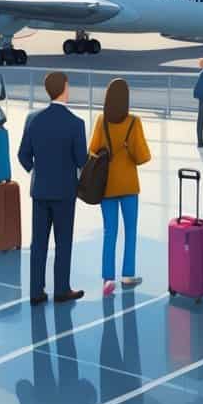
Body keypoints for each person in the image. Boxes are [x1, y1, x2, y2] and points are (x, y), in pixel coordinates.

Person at [18, 72, 87, 305]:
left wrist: (37, 171)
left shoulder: (33, 119)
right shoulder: (76, 123)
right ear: (64, 88)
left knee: (38, 243)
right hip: (65, 192)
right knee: (63, 242)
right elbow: (81, 160)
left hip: (40, 191)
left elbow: (23, 156)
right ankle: (61, 290)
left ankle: (36, 291)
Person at [88, 79, 151, 297]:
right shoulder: (134, 122)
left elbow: (92, 150)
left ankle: (108, 278)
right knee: (131, 231)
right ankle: (127, 274)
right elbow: (143, 157)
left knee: (109, 232)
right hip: (129, 186)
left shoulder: (101, 120)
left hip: (106, 187)